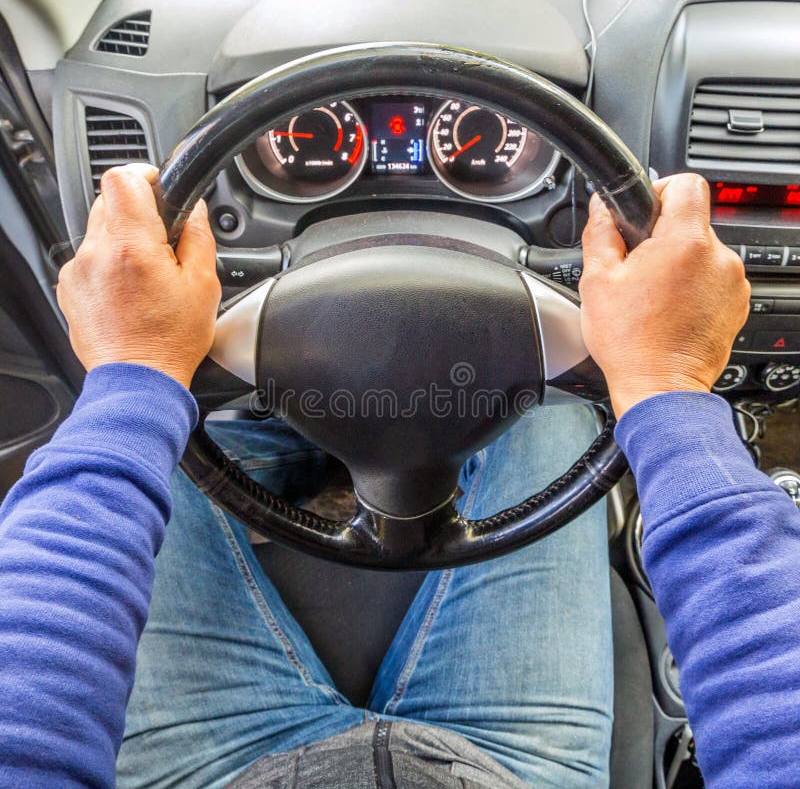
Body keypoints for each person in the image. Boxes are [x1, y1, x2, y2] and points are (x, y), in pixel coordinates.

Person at [0, 165, 796, 789]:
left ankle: (273, 427)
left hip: (209, 772)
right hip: (506, 773)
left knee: (173, 441)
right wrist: (664, 381)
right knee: (554, 413)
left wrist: (139, 372)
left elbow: (22, 715)